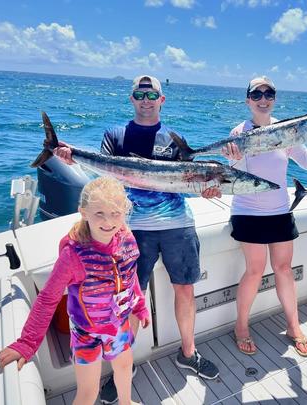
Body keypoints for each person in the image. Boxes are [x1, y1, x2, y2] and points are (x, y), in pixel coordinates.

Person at [54, 75, 220, 404]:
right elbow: (103, 178)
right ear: (132, 99)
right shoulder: (114, 136)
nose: (146, 99)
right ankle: (123, 368)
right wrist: (72, 158)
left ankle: (188, 352)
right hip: (130, 231)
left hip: (177, 225)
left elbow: (191, 181)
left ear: (162, 99)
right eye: (139, 94)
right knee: (127, 299)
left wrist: (209, 187)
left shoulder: (175, 139)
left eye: (152, 94)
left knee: (185, 289)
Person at [0, 177, 150, 405]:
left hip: (118, 326)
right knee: (89, 391)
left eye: (116, 213)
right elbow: (47, 299)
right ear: (83, 212)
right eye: (99, 213)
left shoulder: (126, 238)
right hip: (86, 334)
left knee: (125, 366)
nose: (108, 221)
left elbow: (129, 275)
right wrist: (27, 343)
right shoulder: (73, 256)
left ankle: (125, 403)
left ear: (125, 212)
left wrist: (139, 306)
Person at [223, 76, 307, 356]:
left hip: (279, 210)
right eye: (257, 94)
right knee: (254, 270)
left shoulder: (286, 131)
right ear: (248, 100)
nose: (263, 99)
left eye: (269, 93)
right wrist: (235, 156)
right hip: (248, 211)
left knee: (284, 269)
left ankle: (294, 326)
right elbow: (236, 173)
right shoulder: (238, 131)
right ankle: (241, 326)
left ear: (274, 98)